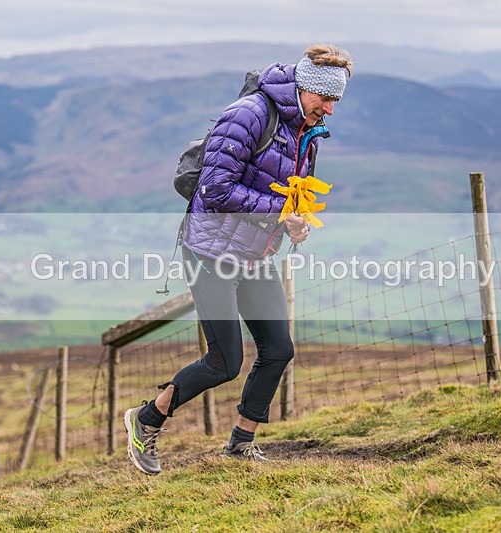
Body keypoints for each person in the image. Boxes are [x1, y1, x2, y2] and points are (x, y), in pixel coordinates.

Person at [124, 44, 353, 475]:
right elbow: (215, 190)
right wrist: (279, 212)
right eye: (326, 98)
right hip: (210, 252)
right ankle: (146, 419)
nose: (331, 110)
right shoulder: (248, 115)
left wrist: (295, 223)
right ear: (305, 88)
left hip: (255, 254)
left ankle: (241, 444)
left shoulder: (307, 132)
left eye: (336, 100)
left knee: (279, 349)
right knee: (224, 362)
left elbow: (288, 196)